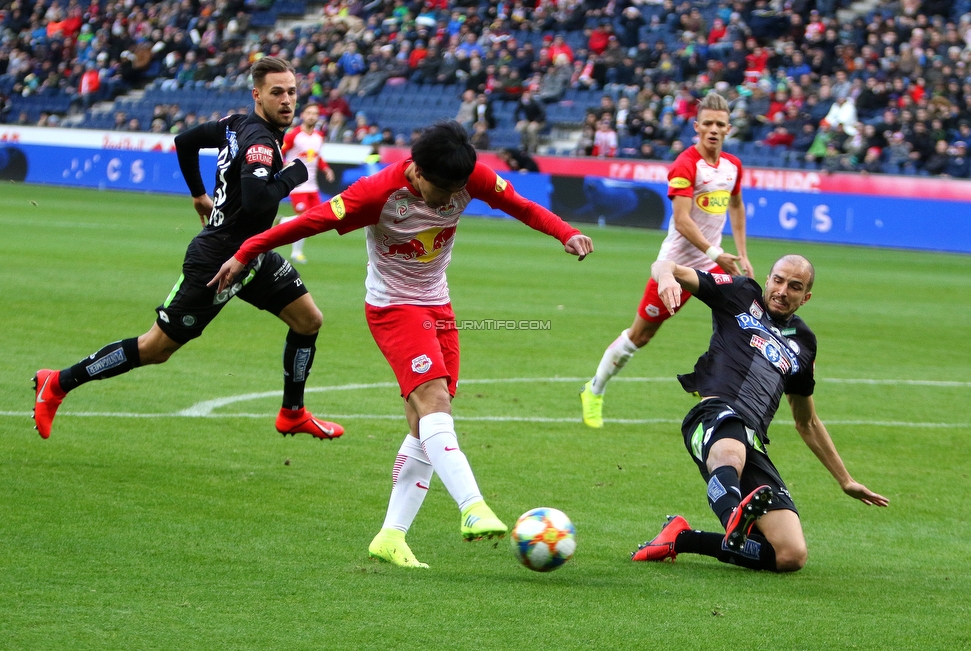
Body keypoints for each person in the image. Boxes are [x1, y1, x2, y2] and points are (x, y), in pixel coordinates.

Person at [210, 121, 594, 568]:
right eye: (443, 190)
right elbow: (307, 223)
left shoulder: (470, 177)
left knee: (428, 423)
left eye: (458, 191)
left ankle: (391, 536)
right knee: (433, 403)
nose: (452, 200)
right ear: (416, 172)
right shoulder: (375, 194)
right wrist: (245, 252)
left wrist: (565, 232)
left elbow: (520, 204)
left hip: (439, 307)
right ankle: (472, 506)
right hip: (393, 308)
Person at [32, 57, 344, 443]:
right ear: (257, 95)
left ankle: (292, 413)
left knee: (308, 320)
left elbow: (185, 142)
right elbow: (258, 199)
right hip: (218, 261)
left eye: (292, 92)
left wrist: (199, 194)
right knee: (156, 347)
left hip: (251, 254)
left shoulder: (235, 124)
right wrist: (294, 175)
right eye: (276, 92)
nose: (286, 100)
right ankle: (58, 382)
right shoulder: (261, 142)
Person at [631, 255, 889, 571]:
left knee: (790, 555)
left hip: (753, 439)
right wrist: (668, 279)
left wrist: (845, 480)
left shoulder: (804, 343)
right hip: (714, 415)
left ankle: (682, 538)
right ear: (767, 279)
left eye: (795, 287)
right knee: (729, 451)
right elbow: (664, 264)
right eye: (778, 280)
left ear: (805, 297)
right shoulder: (739, 293)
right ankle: (734, 519)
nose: (783, 290)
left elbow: (806, 420)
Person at [580, 92, 752, 428]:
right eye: (708, 124)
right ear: (696, 126)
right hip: (674, 268)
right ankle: (594, 389)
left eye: (720, 124)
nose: (714, 130)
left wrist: (743, 254)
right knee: (640, 336)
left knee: (743, 318)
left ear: (728, 128)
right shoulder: (686, 164)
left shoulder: (733, 167)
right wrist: (717, 253)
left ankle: (709, 379)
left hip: (711, 265)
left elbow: (736, 205)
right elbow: (684, 221)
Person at [281, 103, 336, 264]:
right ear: (303, 115)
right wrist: (283, 164)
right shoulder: (294, 135)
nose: (312, 116)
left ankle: (284, 221)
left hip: (312, 185)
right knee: (304, 218)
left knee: (315, 221)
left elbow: (316, 157)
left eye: (315, 113)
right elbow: (280, 151)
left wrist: (326, 169)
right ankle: (296, 253)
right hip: (297, 184)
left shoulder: (319, 136)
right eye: (309, 113)